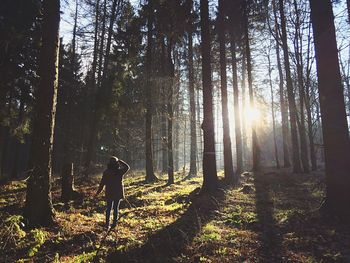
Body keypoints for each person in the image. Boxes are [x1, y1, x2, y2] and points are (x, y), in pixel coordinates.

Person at [95, 156, 130, 230]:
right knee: (115, 208)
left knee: (109, 208)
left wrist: (97, 193)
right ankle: (114, 224)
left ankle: (107, 224)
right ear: (116, 163)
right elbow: (127, 167)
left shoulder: (106, 172)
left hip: (109, 192)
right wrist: (120, 161)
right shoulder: (119, 171)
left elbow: (102, 184)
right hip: (118, 193)